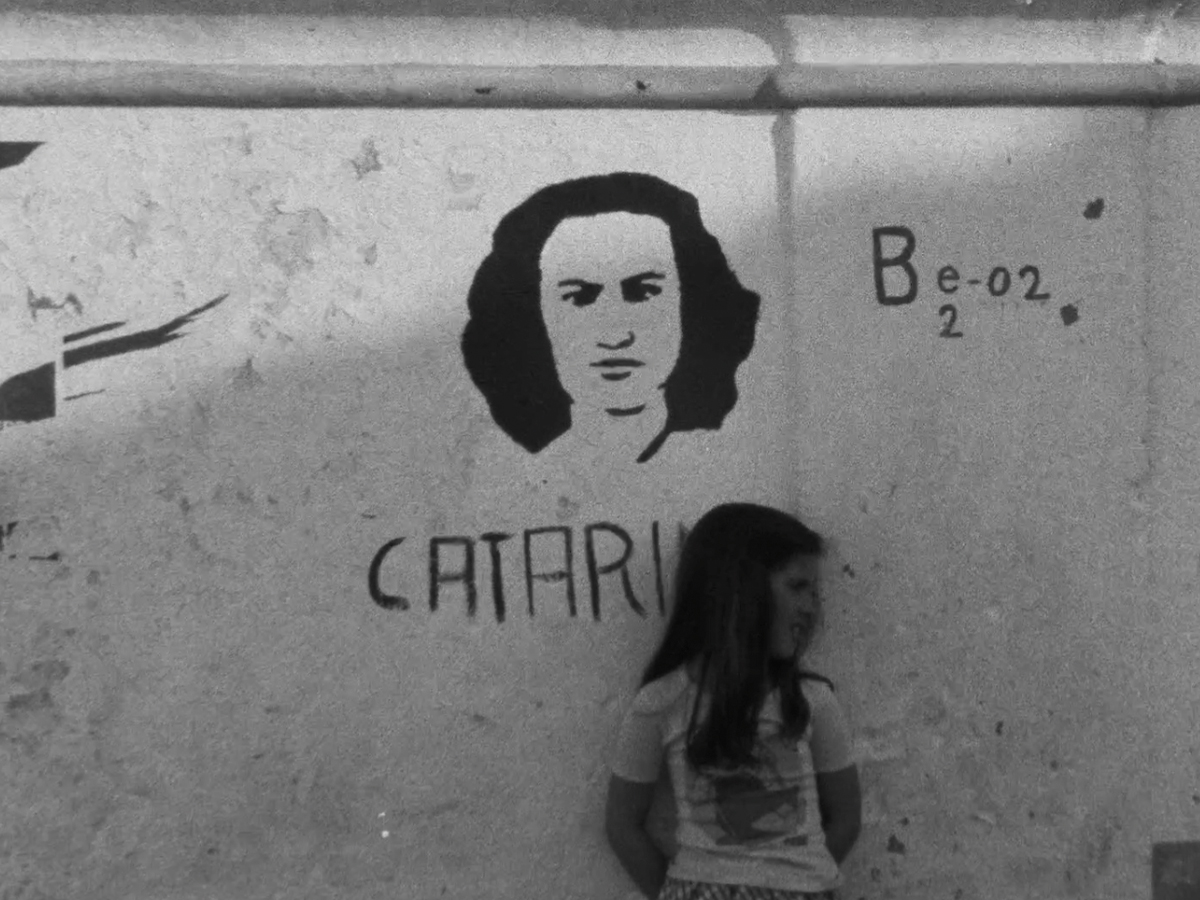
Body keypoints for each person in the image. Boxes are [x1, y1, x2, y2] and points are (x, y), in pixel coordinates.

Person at [605, 502, 861, 899]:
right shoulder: (662, 702)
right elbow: (622, 824)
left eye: (815, 592)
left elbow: (846, 817)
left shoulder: (812, 701)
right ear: (739, 589)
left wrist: (797, 884)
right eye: (797, 587)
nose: (812, 607)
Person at [461, 172, 760, 464]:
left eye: (644, 292)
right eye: (578, 297)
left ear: (687, 304)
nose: (614, 336)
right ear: (537, 316)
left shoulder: (737, 462)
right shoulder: (510, 474)